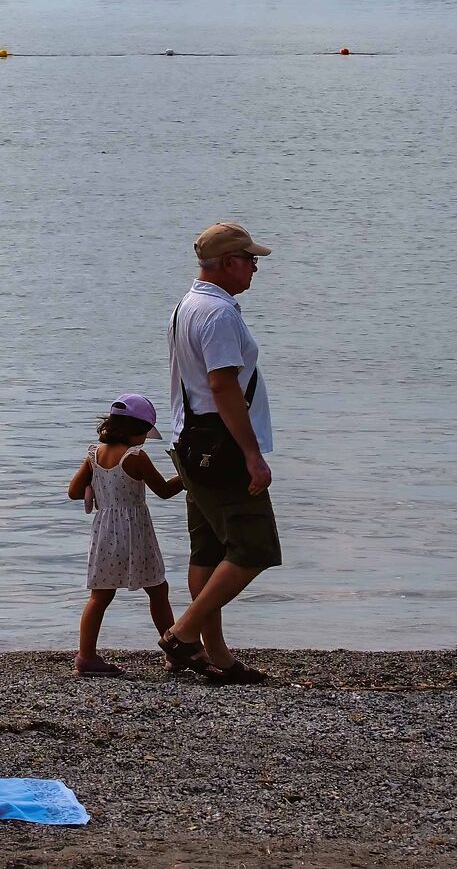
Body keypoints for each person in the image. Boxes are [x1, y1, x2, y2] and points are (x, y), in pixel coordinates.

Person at [160, 222, 281, 685]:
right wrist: (252, 454)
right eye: (250, 259)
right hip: (220, 443)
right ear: (228, 262)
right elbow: (223, 385)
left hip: (189, 438)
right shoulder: (219, 314)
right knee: (254, 547)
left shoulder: (187, 305)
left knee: (208, 550)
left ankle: (217, 657)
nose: (255, 267)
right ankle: (183, 635)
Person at [66, 392, 183, 678]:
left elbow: (72, 492)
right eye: (144, 432)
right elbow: (165, 491)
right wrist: (188, 475)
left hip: (105, 532)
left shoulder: (93, 454)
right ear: (135, 430)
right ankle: (175, 652)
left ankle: (86, 656)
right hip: (135, 531)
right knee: (157, 590)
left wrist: (94, 486)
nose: (145, 438)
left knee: (100, 596)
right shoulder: (135, 457)